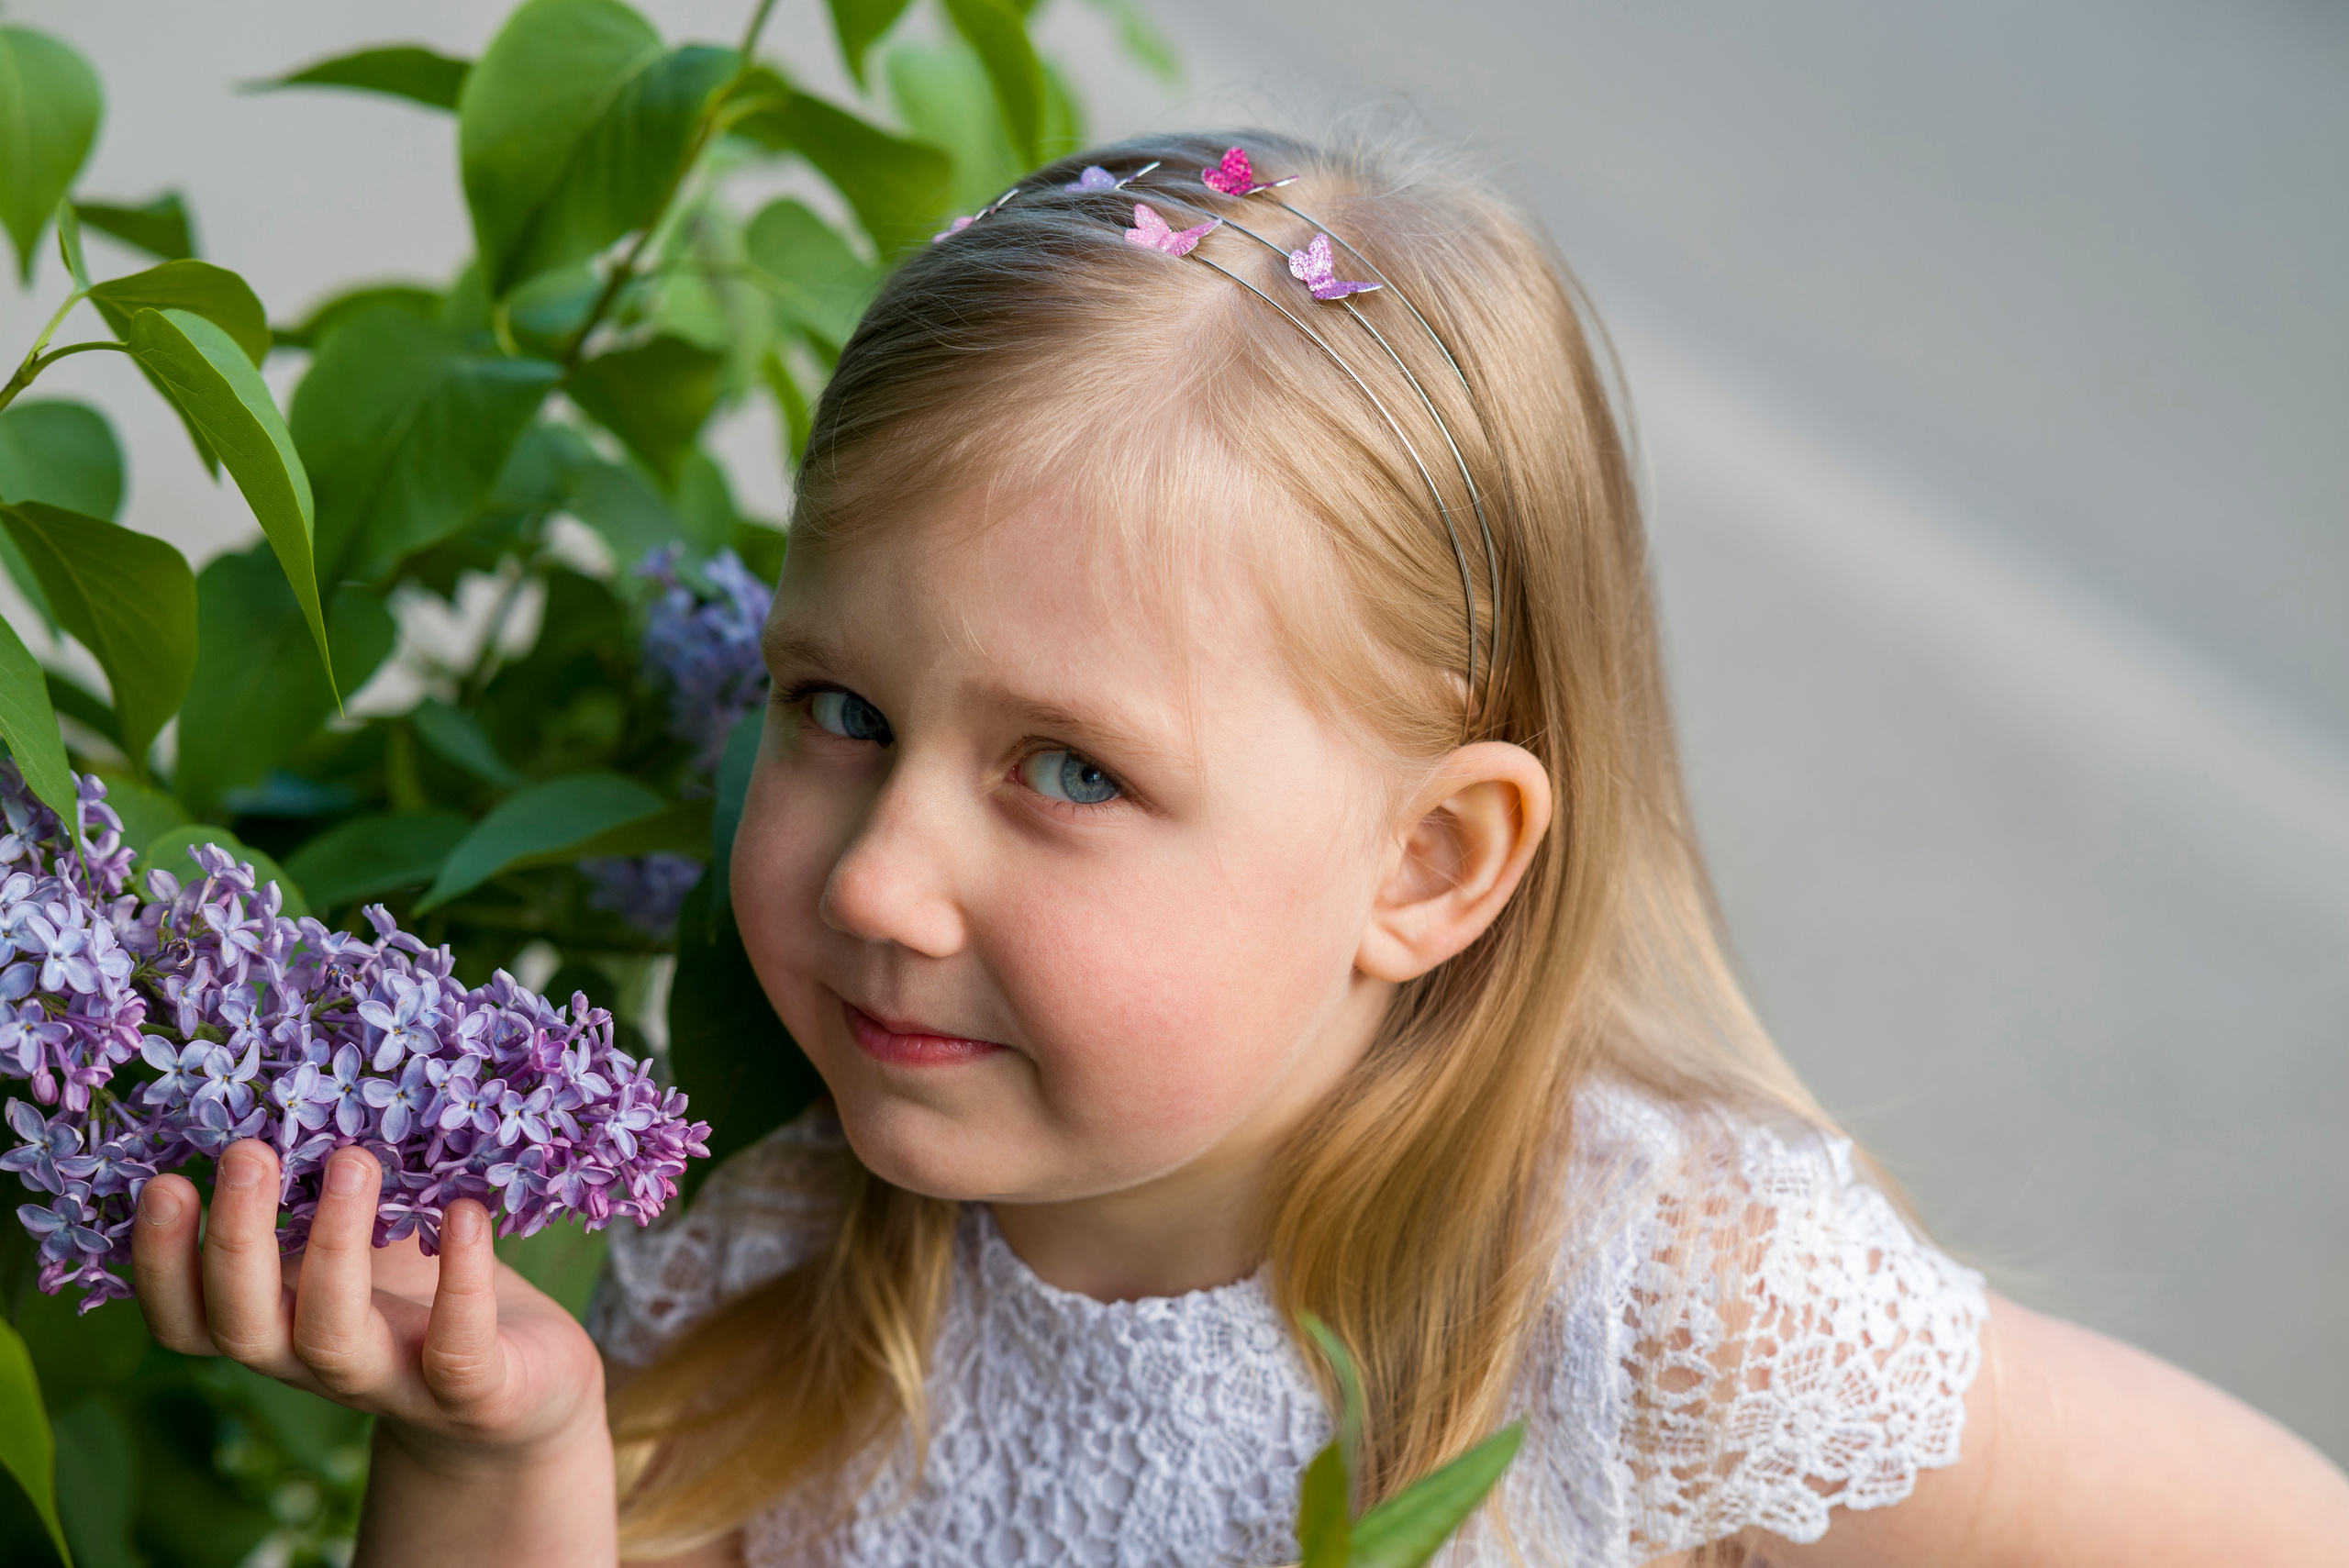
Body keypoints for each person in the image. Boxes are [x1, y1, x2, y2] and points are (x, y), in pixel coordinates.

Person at [128, 130, 2349, 1567]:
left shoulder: (1653, 1314)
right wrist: (494, 1454)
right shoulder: (783, 1279)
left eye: (1069, 772)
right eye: (839, 710)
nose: (875, 879)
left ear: (1429, 863)